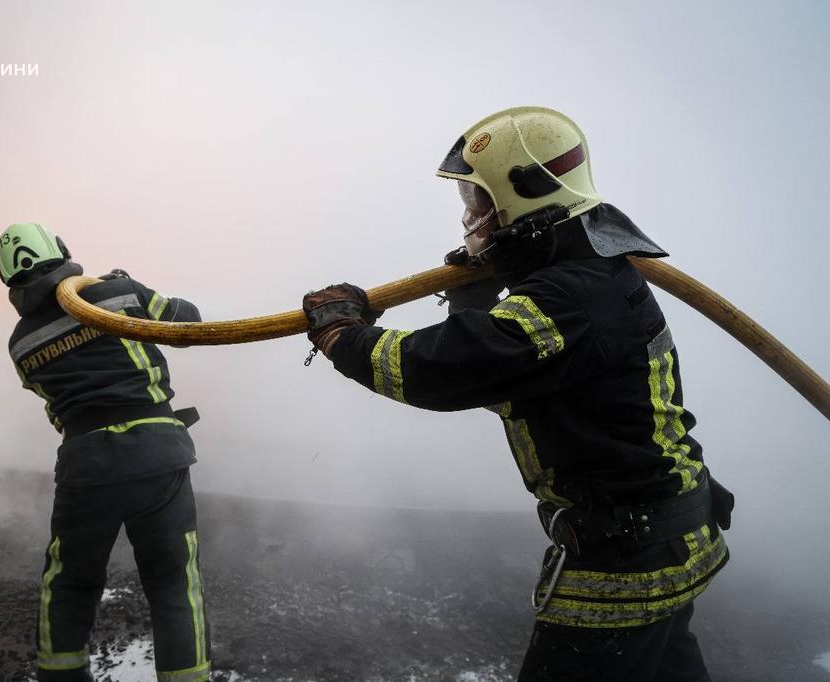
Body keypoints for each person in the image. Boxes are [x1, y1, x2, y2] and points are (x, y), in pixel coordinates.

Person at [302, 107, 734, 681]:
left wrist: (341, 334)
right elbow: (507, 373)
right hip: (669, 535)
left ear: (524, 200)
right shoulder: (595, 272)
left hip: (626, 563)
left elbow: (441, 369)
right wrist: (476, 295)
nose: (469, 217)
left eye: (478, 201)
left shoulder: (568, 298)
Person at [0, 223, 211, 682]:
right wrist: (128, 287)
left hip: (85, 465)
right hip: (156, 452)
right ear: (61, 250)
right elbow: (189, 322)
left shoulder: (20, 344)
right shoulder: (119, 293)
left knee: (69, 583)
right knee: (173, 584)